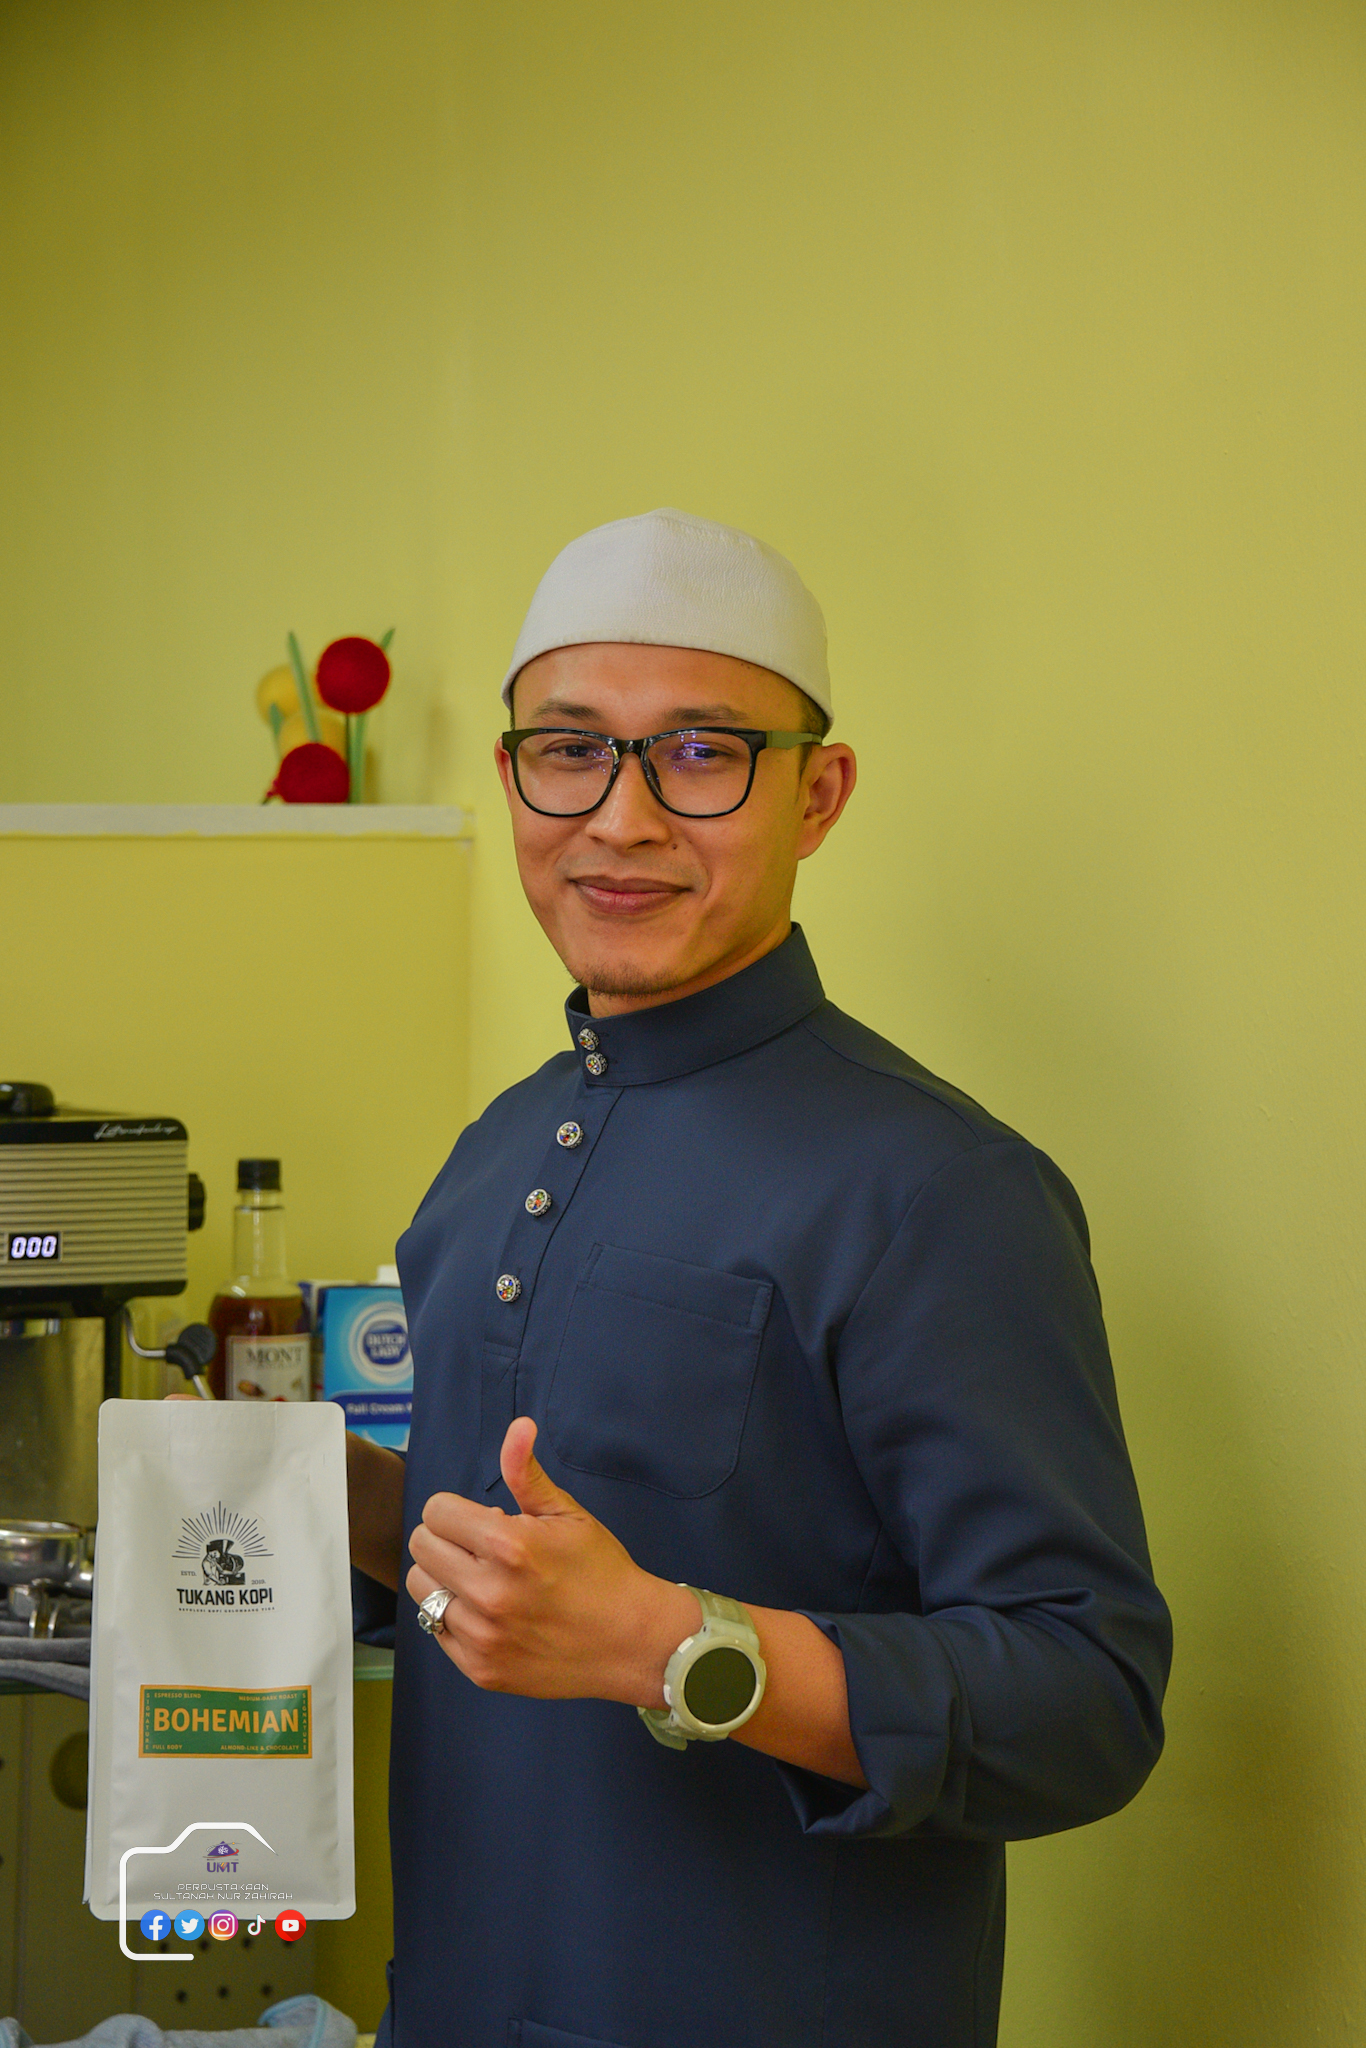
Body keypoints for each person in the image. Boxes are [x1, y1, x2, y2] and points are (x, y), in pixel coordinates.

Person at [349, 508, 1172, 2048]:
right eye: (569, 750)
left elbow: (1085, 1704)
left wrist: (668, 1646)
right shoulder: (492, 1151)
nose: (621, 819)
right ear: (515, 776)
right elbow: (535, 1586)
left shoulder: (933, 1187)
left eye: (702, 753)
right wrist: (339, 1511)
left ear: (818, 793)